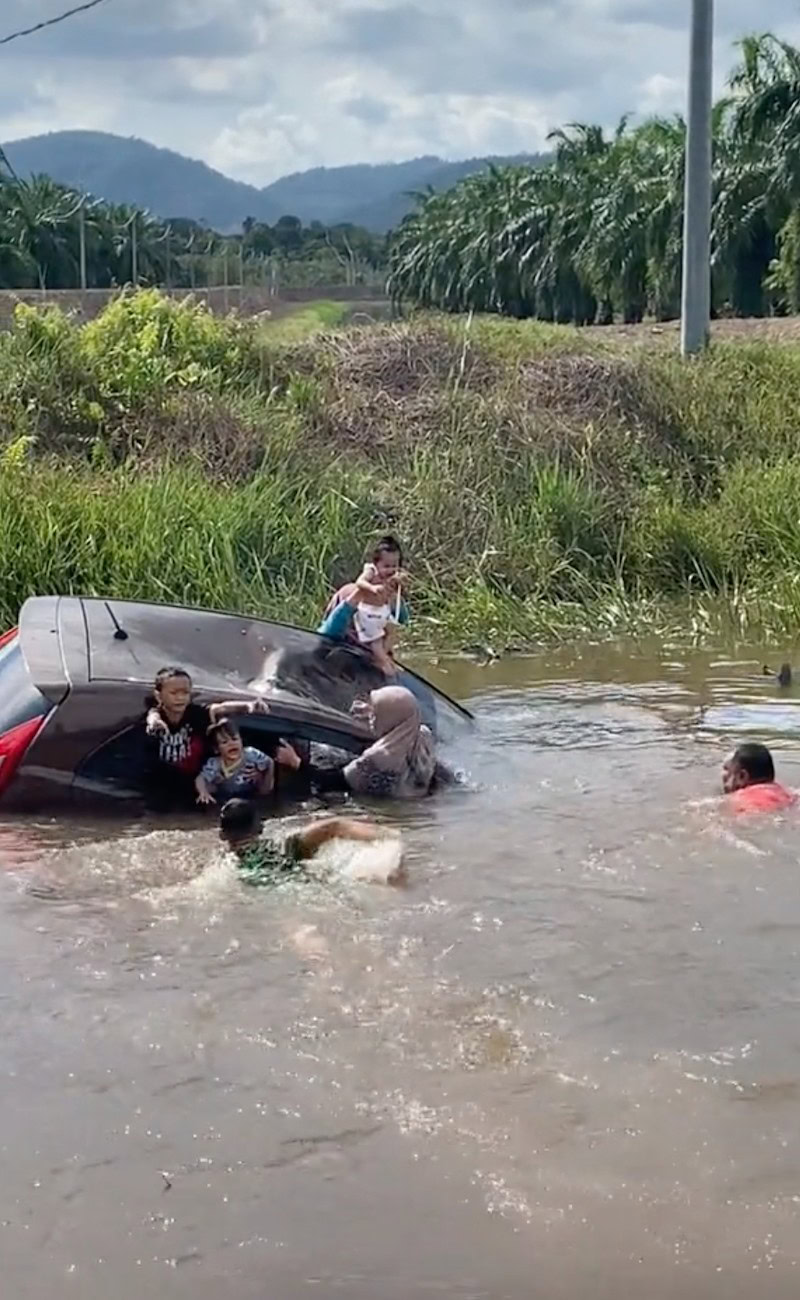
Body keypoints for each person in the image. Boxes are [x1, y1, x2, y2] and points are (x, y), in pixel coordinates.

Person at [277, 684, 453, 800]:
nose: (371, 718)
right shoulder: (422, 735)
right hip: (419, 805)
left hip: (391, 814)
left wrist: (296, 763)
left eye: (377, 714)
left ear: (391, 717)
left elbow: (333, 782)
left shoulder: (380, 759)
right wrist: (370, 711)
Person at [143, 666, 268, 809]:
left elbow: (220, 708)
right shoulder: (156, 716)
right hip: (161, 784)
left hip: (193, 784)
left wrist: (247, 706)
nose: (180, 698)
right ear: (159, 696)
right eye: (174, 693)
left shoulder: (195, 714)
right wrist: (155, 724)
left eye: (185, 693)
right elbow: (152, 717)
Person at [218, 797, 395, 886]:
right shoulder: (285, 846)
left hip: (272, 891)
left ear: (222, 835)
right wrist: (388, 836)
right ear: (261, 828)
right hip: (307, 880)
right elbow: (335, 826)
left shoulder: (227, 866)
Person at [321, 536, 410, 671]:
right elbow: (326, 635)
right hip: (344, 657)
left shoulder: (392, 597)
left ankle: (382, 661)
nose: (390, 571)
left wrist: (394, 596)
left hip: (376, 660)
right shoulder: (349, 592)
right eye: (386, 566)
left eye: (394, 566)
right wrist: (361, 594)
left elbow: (403, 622)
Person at [195, 719, 274, 806]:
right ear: (216, 749)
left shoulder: (251, 754)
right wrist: (203, 792)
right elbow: (200, 778)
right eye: (224, 742)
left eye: (235, 739)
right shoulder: (215, 763)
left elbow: (269, 762)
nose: (231, 744)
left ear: (241, 741)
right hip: (225, 799)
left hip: (250, 796)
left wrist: (265, 779)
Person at [722, 742, 796, 814]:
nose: (724, 775)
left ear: (742, 776)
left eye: (728, 770)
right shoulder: (786, 793)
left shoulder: (740, 799)